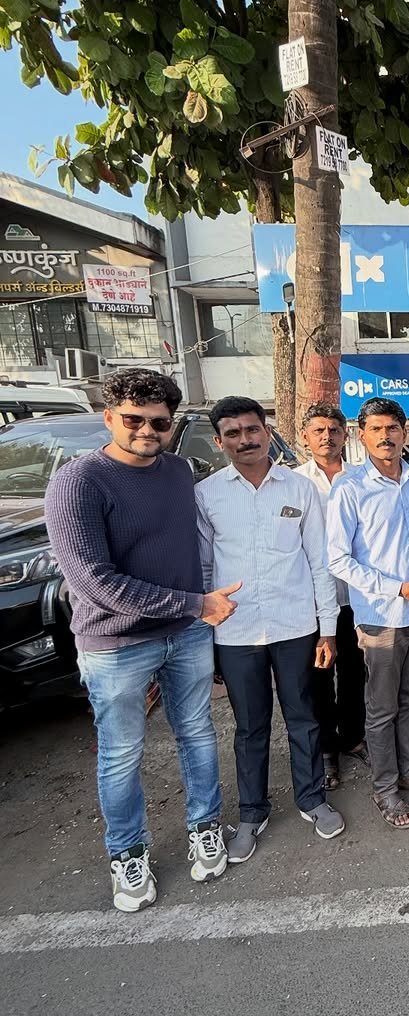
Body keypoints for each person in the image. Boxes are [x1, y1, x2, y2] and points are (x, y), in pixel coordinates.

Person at [44, 368, 238, 912]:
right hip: (117, 644)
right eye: (134, 419)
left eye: (158, 421)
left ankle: (204, 825)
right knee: (121, 752)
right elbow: (92, 581)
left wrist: (197, 609)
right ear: (109, 418)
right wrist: (197, 605)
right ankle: (127, 853)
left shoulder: (178, 472)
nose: (146, 430)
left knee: (197, 734)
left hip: (186, 636)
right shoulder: (79, 481)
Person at [196, 395, 344, 863]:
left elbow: (320, 562)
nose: (246, 440)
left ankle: (312, 799)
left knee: (304, 718)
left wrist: (327, 629)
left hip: (295, 624)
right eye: (234, 433)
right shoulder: (206, 495)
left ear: (267, 431)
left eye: (253, 430)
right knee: (249, 727)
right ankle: (251, 813)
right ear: (220, 441)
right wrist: (206, 633)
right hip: (236, 632)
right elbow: (202, 569)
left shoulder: (298, 490)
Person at [325, 397, 409, 829]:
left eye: (393, 428)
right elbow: (338, 561)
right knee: (380, 709)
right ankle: (385, 789)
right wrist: (397, 588)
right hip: (382, 615)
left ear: (404, 433)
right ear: (360, 436)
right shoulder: (350, 487)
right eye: (376, 429)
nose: (385, 436)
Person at [295, 402, 367, 790]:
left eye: (334, 430)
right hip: (311, 600)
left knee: (355, 672)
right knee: (318, 676)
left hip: (357, 598)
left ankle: (354, 737)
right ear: (305, 437)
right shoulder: (294, 482)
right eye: (318, 430)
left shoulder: (361, 479)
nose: (327, 436)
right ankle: (326, 751)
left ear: (346, 435)